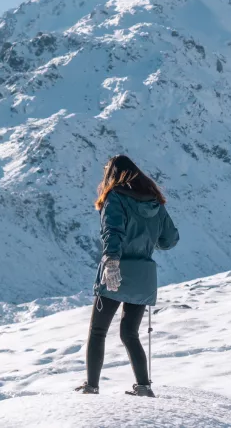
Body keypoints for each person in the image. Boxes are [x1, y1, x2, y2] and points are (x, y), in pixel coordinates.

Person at [75, 155, 179, 398]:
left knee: (98, 331)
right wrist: (147, 240)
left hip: (117, 270)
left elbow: (112, 231)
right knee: (129, 333)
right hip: (143, 275)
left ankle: (91, 385)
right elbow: (170, 239)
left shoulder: (115, 197)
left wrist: (111, 261)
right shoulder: (156, 203)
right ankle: (143, 386)